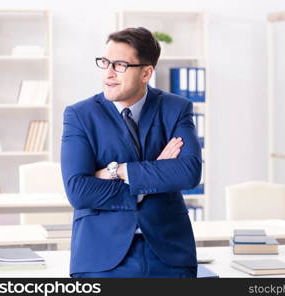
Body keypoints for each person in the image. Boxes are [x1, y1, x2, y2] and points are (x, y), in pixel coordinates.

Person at [61, 27, 202, 278]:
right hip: (101, 256)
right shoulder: (80, 115)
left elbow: (188, 172)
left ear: (146, 72)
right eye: (104, 63)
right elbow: (79, 191)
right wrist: (154, 173)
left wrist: (117, 171)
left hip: (169, 253)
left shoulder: (175, 108)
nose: (109, 73)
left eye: (120, 65)